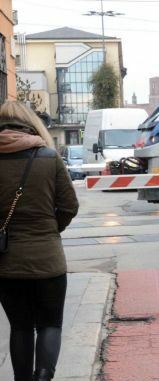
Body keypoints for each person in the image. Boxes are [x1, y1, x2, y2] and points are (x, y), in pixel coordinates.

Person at [0, 101, 79, 381]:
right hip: (48, 260)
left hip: (6, 262)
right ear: (30, 123)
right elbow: (69, 206)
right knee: (49, 324)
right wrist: (49, 230)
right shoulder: (48, 156)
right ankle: (43, 377)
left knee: (20, 327)